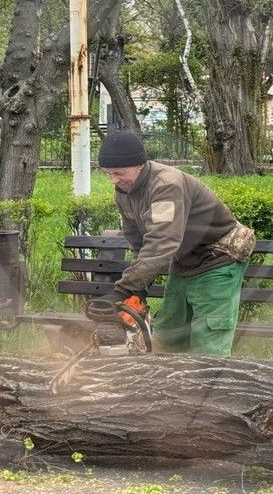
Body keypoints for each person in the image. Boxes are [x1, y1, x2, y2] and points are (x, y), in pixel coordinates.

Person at [98, 131, 254, 356]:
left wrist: (121, 291)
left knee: (208, 344)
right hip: (184, 259)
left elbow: (162, 243)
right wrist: (138, 289)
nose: (114, 180)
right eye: (108, 174)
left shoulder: (166, 185)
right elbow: (140, 246)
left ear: (139, 164)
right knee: (168, 335)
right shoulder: (124, 192)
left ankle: (211, 378)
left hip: (218, 258)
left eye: (119, 173)